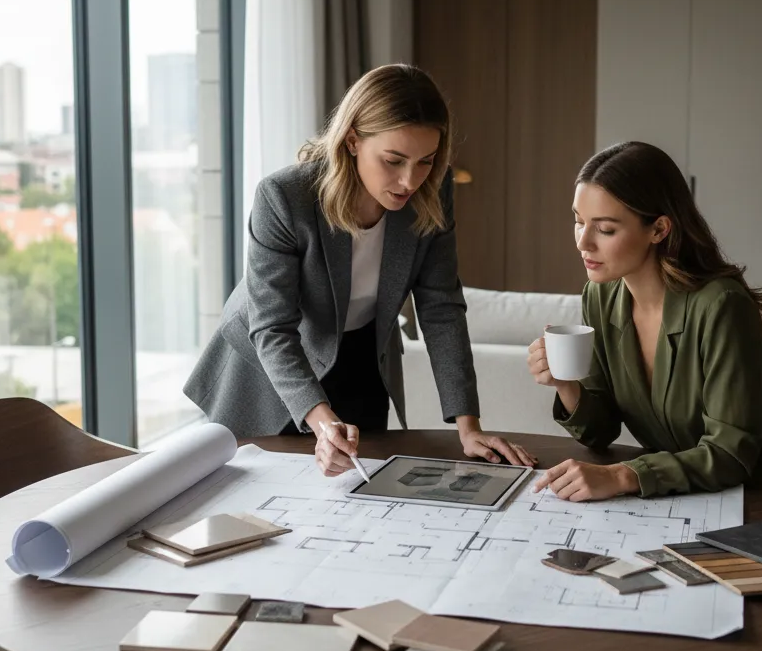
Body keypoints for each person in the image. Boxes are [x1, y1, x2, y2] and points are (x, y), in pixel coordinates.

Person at [525, 140, 762, 651]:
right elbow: (598, 426)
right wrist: (566, 387)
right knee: (570, 576)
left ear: (660, 228)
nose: (584, 242)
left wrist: (622, 476)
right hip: (674, 492)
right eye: (577, 221)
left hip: (756, 503)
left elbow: (736, 449)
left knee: (631, 598)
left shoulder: (721, 307)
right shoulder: (600, 295)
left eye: (606, 227)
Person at [185, 63, 535, 477]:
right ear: (352, 140)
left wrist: (468, 426)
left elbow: (441, 307)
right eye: (393, 160)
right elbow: (272, 328)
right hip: (270, 365)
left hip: (361, 354)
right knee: (262, 503)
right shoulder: (285, 197)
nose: (409, 181)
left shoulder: (433, 188)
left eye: (425, 161)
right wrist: (320, 421)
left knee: (358, 492)